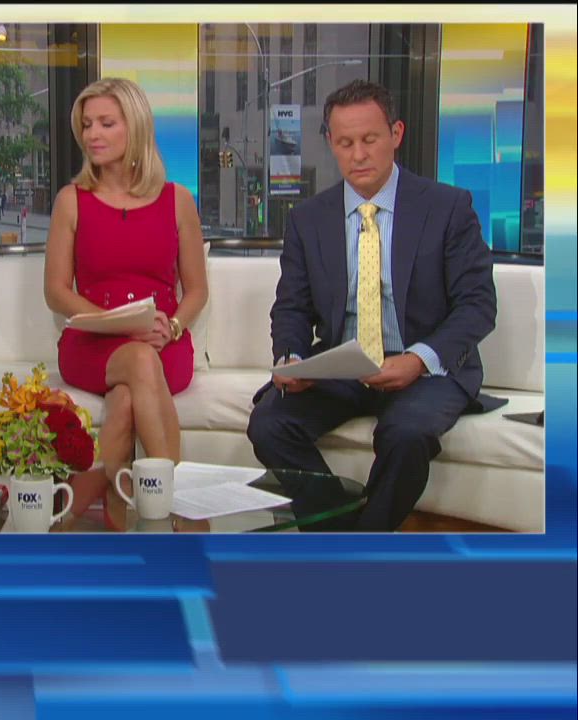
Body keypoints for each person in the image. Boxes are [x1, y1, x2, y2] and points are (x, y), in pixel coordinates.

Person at [246, 79, 501, 531]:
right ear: (331, 143)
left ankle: (362, 544)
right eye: (345, 143)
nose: (358, 155)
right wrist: (292, 358)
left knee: (405, 433)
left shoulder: (447, 207)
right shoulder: (308, 219)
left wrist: (418, 360)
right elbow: (292, 308)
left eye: (370, 139)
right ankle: (340, 536)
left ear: (396, 134)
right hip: (342, 365)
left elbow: (477, 304)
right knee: (268, 424)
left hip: (425, 368)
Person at [43, 77, 208, 530]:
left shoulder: (177, 200)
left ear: (134, 127)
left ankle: (106, 499)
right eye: (87, 124)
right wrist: (120, 324)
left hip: (162, 343)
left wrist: (173, 327)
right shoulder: (71, 201)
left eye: (106, 123)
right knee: (137, 360)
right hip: (91, 343)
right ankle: (176, 504)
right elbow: (56, 291)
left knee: (125, 400)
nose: (92, 134)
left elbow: (197, 290)